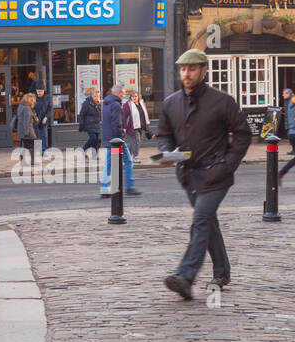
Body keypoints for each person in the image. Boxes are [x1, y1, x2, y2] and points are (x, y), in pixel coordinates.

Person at [157, 49, 252, 299]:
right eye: (183, 69)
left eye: (191, 69)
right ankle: (222, 271)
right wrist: (166, 152)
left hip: (216, 174)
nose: (186, 74)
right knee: (208, 222)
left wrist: (227, 164)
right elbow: (164, 135)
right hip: (188, 174)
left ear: (203, 71)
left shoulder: (222, 101)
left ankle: (185, 276)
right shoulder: (171, 103)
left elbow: (242, 134)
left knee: (200, 219)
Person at [99, 84, 138, 195]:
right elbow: (117, 123)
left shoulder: (106, 103)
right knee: (128, 161)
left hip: (108, 138)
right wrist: (120, 137)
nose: (123, 95)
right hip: (116, 140)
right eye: (122, 93)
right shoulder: (116, 105)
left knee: (109, 163)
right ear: (117, 93)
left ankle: (105, 187)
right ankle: (129, 187)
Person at [124, 89, 150, 165]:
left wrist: (147, 125)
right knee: (136, 142)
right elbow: (124, 117)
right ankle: (135, 157)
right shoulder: (127, 105)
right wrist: (124, 127)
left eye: (136, 96)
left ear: (138, 97)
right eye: (133, 96)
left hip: (140, 126)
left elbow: (145, 114)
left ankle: (127, 157)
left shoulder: (141, 104)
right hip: (131, 127)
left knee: (135, 143)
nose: (134, 98)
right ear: (130, 97)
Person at [14, 92, 38, 168]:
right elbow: (26, 122)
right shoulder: (27, 109)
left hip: (21, 130)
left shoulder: (20, 106)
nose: (34, 101)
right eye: (33, 100)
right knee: (33, 145)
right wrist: (26, 132)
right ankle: (33, 161)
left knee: (24, 146)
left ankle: (22, 161)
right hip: (28, 131)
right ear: (30, 100)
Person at [78, 87, 101, 153]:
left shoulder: (98, 104)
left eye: (97, 96)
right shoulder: (87, 103)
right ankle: (84, 149)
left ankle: (95, 154)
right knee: (93, 138)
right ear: (91, 95)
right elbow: (82, 114)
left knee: (96, 140)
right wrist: (81, 124)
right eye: (95, 96)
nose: (96, 98)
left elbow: (100, 113)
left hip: (96, 124)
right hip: (89, 124)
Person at [35, 83, 53, 151]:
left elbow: (50, 108)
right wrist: (34, 117)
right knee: (35, 136)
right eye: (38, 91)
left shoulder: (47, 97)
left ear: (43, 90)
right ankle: (36, 151)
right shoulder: (33, 97)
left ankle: (43, 151)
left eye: (40, 91)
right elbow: (31, 108)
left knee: (44, 136)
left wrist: (46, 117)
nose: (39, 93)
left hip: (43, 119)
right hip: (35, 119)